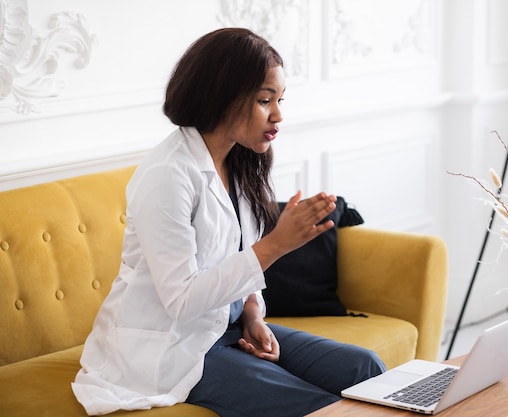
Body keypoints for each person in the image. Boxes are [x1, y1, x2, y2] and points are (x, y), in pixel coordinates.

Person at [72, 27, 385, 417]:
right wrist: (277, 244)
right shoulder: (167, 175)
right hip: (173, 345)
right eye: (264, 100)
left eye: (279, 99)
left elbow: (234, 255)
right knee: (316, 407)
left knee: (367, 369)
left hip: (228, 326)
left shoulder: (242, 160)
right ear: (221, 97)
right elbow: (182, 301)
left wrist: (253, 314)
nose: (278, 114)